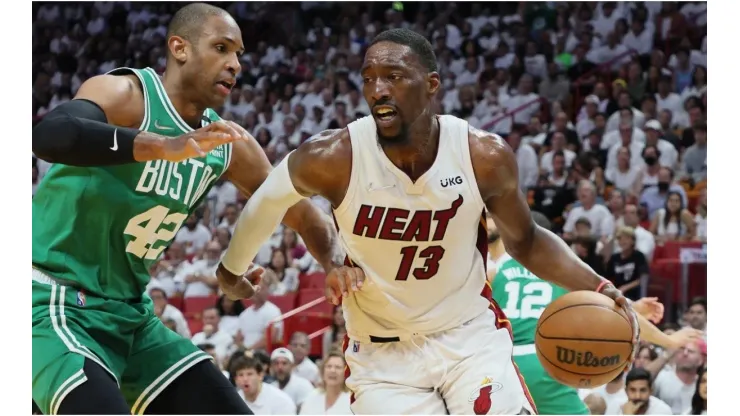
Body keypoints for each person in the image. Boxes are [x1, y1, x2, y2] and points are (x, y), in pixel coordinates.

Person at [217, 28, 679, 414]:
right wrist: (230, 270)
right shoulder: (332, 156)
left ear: (432, 84)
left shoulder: (484, 155)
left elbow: (527, 240)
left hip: (469, 336)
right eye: (369, 79)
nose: (378, 90)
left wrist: (601, 286)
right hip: (382, 354)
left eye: (394, 77)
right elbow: (266, 203)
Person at [30, 3, 337, 415]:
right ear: (179, 48)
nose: (234, 65)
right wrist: (158, 145)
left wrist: (336, 264)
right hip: (52, 298)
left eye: (239, 55)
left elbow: (297, 211)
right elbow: (50, 134)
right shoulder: (127, 95)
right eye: (222, 48)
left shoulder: (225, 142)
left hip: (131, 316)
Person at [488, 212, 701, 415]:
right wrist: (667, 340)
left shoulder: (492, 270)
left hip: (500, 364)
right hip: (544, 363)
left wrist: (634, 306)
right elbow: (613, 310)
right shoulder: (562, 270)